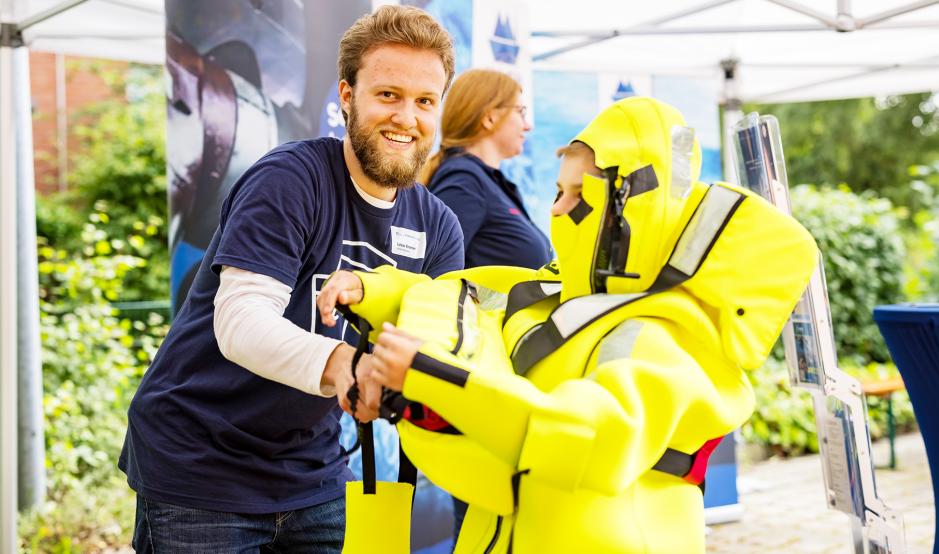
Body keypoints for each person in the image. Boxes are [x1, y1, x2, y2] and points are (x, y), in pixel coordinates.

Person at [320, 96, 819, 552]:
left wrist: (432, 376)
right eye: (558, 191)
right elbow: (477, 296)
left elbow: (591, 438)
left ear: (632, 207)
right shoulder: (566, 294)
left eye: (578, 194)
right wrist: (375, 290)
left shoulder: (660, 338)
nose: (556, 209)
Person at [118, 6, 463, 553]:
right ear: (347, 96)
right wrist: (346, 365)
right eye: (388, 95)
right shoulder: (290, 180)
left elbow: (444, 342)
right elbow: (241, 323)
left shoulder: (438, 225)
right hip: (201, 461)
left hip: (312, 467)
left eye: (425, 101)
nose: (407, 118)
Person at [419, 68, 551, 270]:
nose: (527, 126)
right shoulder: (464, 181)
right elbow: (432, 271)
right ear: (489, 118)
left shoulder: (487, 182)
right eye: (520, 112)